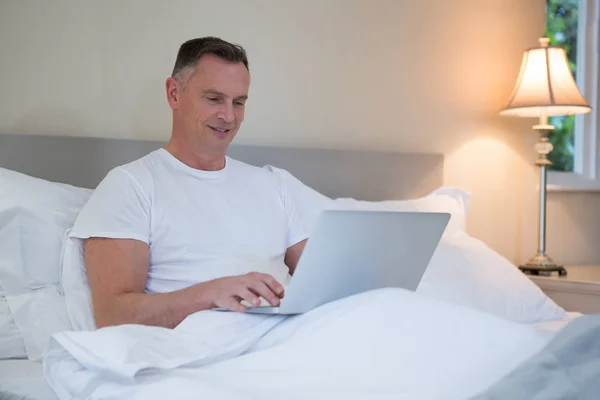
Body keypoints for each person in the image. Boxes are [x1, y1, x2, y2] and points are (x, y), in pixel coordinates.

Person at [70, 37, 309, 329]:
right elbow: (114, 314)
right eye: (213, 99)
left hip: (291, 338)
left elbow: (322, 282)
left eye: (239, 103)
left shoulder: (274, 185)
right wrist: (212, 293)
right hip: (205, 346)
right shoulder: (131, 186)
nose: (229, 116)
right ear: (174, 94)